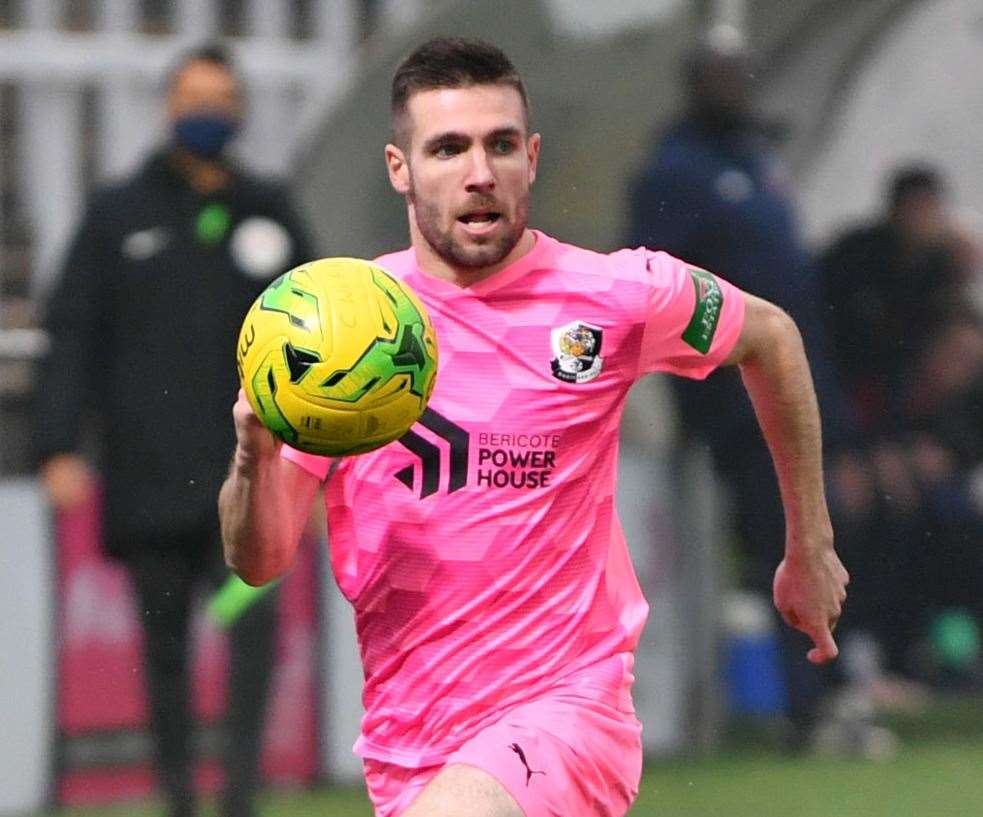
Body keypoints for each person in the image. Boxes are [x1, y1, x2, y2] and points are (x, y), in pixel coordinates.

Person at [219, 37, 847, 817]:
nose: (479, 172)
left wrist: (808, 545)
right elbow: (260, 557)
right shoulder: (347, 327)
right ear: (398, 168)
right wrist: (254, 455)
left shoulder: (614, 294)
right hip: (409, 743)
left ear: (532, 157)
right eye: (447, 148)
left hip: (567, 716)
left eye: (500, 145)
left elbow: (773, 336)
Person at [35, 43, 315, 817]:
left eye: (222, 98)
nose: (209, 112)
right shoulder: (117, 212)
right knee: (162, 655)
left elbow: (326, 349)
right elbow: (72, 332)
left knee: (249, 639)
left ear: (240, 109)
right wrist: (58, 444)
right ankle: (180, 800)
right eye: (195, 97)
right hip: (149, 484)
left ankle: (238, 800)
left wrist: (323, 467)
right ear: (168, 106)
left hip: (252, 488)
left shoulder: (270, 210)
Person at [625, 26, 851, 749]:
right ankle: (798, 704)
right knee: (771, 544)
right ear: (696, 82)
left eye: (743, 73)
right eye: (725, 75)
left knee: (820, 534)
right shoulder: (675, 171)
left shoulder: (755, 158)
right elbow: (652, 288)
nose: (740, 87)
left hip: (799, 385)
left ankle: (836, 685)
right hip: (732, 403)